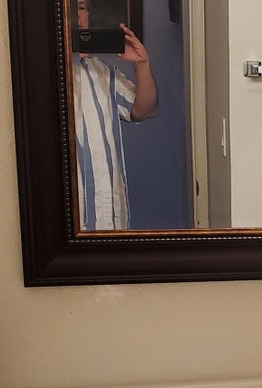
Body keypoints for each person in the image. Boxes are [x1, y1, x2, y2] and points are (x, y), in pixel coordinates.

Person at [74, 0, 158, 231]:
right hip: (71, 227)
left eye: (81, 8)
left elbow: (143, 109)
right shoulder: (41, 71)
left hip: (112, 218)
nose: (77, 16)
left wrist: (142, 64)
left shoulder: (104, 71)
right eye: (69, 8)